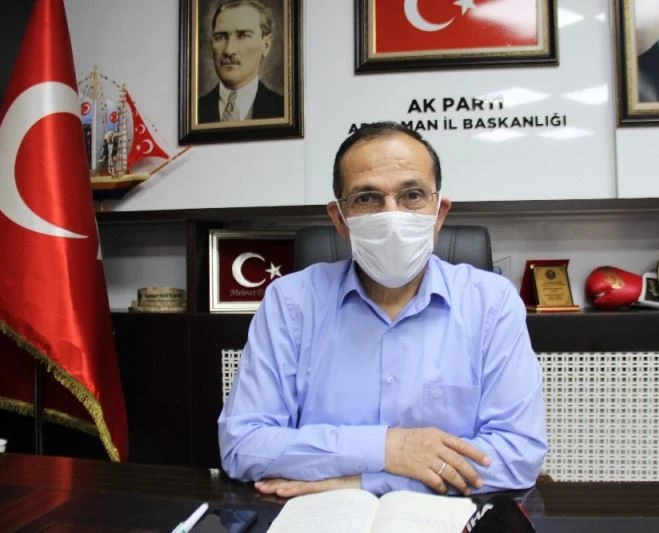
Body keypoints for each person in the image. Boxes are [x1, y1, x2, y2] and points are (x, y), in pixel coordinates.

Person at [218, 122, 547, 498]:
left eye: (412, 195)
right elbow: (244, 445)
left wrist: (362, 481)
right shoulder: (290, 302)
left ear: (439, 213)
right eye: (367, 198)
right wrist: (389, 447)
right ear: (340, 220)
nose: (392, 216)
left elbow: (517, 455)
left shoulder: (492, 303)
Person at [198, 0, 284, 123]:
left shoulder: (283, 110)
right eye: (220, 37)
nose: (228, 50)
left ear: (266, 45)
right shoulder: (193, 113)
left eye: (243, 36)